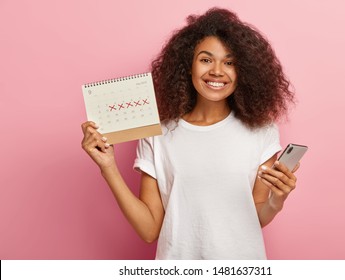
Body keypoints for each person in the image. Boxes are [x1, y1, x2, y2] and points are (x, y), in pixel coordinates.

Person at [81, 7, 299, 260]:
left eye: (230, 62)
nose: (217, 71)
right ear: (188, 65)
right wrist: (108, 167)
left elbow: (255, 216)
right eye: (206, 59)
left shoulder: (261, 130)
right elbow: (150, 230)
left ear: (245, 72)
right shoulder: (157, 132)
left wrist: (277, 200)